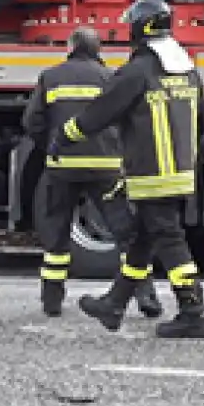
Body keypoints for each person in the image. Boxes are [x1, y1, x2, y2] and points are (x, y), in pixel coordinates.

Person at [68, 0, 204, 339]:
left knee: (169, 240)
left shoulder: (137, 71)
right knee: (142, 239)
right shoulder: (184, 69)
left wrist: (67, 136)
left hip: (151, 173)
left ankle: (193, 311)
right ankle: (114, 304)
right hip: (180, 172)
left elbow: (101, 111)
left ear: (142, 27)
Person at [21, 26, 159, 320]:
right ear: (99, 50)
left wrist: (51, 146)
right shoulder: (111, 78)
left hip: (62, 169)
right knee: (126, 233)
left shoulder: (51, 77)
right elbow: (131, 120)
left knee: (56, 235)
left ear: (71, 46)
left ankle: (52, 301)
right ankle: (145, 294)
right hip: (106, 168)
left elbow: (32, 121)